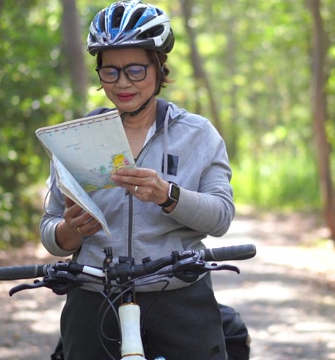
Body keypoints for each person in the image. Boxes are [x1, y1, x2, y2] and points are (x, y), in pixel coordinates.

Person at [40, 1, 235, 359]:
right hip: (94, 294)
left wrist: (168, 195)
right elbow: (51, 231)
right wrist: (70, 231)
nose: (123, 83)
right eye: (110, 72)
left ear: (160, 69)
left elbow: (221, 217)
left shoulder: (197, 135)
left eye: (135, 69)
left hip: (178, 294)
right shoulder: (74, 138)